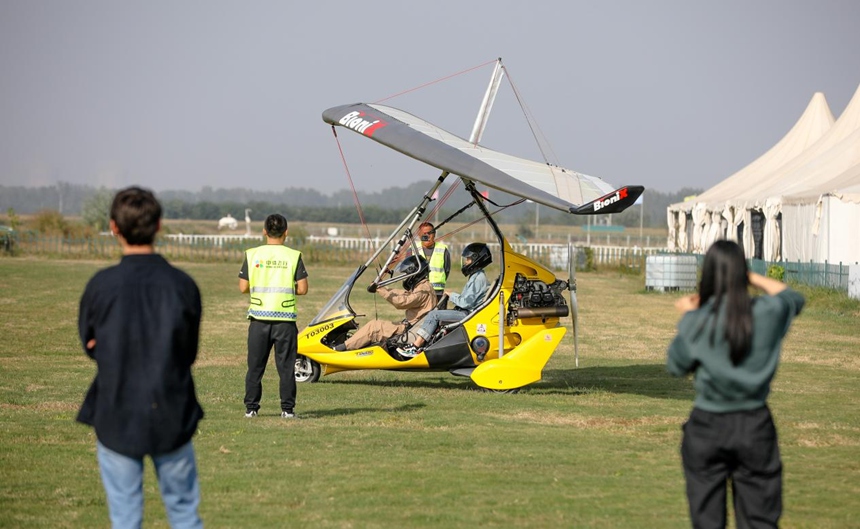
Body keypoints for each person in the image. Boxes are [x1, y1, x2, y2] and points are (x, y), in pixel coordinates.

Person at [77, 186, 204, 528]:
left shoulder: (100, 286)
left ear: (114, 227)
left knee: (125, 518)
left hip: (116, 411)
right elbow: (188, 352)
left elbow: (89, 344)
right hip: (173, 410)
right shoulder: (183, 285)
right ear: (159, 225)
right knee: (184, 515)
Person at [666, 240, 805, 529]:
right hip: (755, 426)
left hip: (707, 427)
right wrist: (748, 276)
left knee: (707, 521)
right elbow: (793, 298)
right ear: (743, 272)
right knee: (760, 520)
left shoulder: (698, 320)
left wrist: (687, 318)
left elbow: (676, 365)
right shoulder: (766, 312)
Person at [239, 213, 309, 419]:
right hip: (285, 320)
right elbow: (303, 289)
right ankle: (287, 410)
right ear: (286, 233)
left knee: (255, 367)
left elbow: (243, 287)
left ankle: (251, 409)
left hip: (259, 319)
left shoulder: (252, 254)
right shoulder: (293, 256)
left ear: (264, 232)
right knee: (286, 367)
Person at [398, 242, 492, 356]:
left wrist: (451, 295)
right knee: (437, 313)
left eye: (468, 259)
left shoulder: (479, 279)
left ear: (476, 259)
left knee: (434, 315)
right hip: (467, 312)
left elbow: (466, 302)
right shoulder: (477, 276)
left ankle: (416, 347)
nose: (466, 262)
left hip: (468, 314)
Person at [333, 255, 437, 351]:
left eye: (406, 275)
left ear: (415, 274)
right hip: (412, 327)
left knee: (374, 327)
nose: (405, 278)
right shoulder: (423, 286)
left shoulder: (423, 290)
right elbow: (405, 294)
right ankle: (347, 344)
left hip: (412, 332)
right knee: (375, 325)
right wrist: (383, 288)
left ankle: (340, 348)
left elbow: (402, 302)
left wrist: (381, 290)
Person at [416, 222, 451, 307]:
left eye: (430, 233)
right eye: (424, 233)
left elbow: (447, 269)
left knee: (438, 317)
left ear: (434, 234)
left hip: (437, 292)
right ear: (419, 235)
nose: (427, 236)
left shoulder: (443, 249)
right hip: (418, 291)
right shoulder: (413, 249)